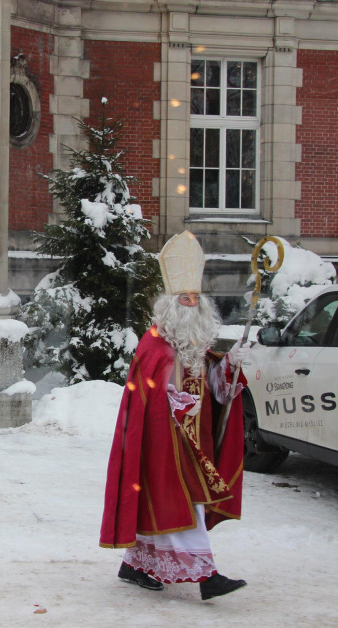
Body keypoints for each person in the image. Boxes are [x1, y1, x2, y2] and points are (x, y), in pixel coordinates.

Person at [99, 230, 250, 601]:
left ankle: (134, 566)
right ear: (169, 303)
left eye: (196, 299)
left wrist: (228, 368)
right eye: (184, 298)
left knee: (172, 503)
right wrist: (175, 404)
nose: (191, 305)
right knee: (185, 500)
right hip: (166, 441)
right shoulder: (155, 343)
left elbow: (212, 388)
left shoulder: (193, 342)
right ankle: (207, 576)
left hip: (191, 438)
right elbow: (150, 397)